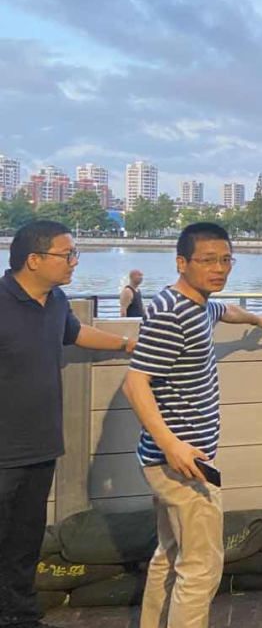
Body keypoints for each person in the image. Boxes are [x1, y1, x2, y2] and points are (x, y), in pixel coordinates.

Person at [122, 223, 262, 628]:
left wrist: (257, 320)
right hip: (183, 461)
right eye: (208, 260)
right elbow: (134, 384)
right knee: (201, 568)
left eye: (226, 260)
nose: (219, 268)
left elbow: (225, 311)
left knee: (171, 554)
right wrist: (172, 445)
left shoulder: (195, 304)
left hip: (173, 458)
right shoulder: (173, 313)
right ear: (182, 262)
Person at [1, 220, 136, 628]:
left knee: (25, 542)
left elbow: (76, 333)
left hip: (41, 447)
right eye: (68, 254)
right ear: (34, 260)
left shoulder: (57, 301)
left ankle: (20, 615)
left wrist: (128, 344)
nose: (75, 261)